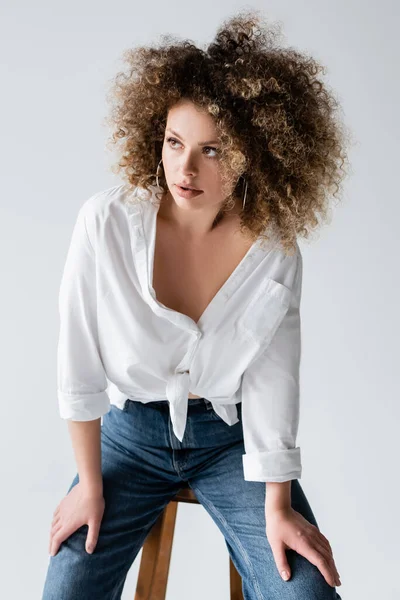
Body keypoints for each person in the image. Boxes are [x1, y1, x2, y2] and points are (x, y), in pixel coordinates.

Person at [42, 10, 349, 600]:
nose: (186, 168)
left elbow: (273, 379)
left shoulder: (274, 246)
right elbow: (76, 362)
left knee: (306, 591)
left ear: (256, 153)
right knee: (66, 589)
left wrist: (279, 504)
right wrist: (87, 483)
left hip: (229, 443)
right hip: (127, 435)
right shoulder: (105, 222)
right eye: (174, 142)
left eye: (212, 149)